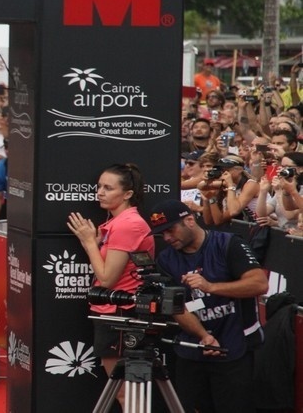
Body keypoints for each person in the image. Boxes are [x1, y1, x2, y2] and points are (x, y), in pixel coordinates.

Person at [146, 200, 267, 413]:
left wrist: (210, 286)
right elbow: (176, 306)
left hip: (235, 346)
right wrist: (203, 336)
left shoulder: (227, 243)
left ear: (190, 220)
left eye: (170, 230)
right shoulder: (166, 259)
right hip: (193, 348)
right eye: (161, 234)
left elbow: (259, 283)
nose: (166, 238)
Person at [65, 163, 154, 408]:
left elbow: (106, 280)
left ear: (127, 194)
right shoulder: (119, 223)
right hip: (112, 313)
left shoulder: (127, 224)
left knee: (127, 394)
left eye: (108, 187)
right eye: (99, 186)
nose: (100, 192)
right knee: (123, 392)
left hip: (122, 314)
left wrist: (89, 243)